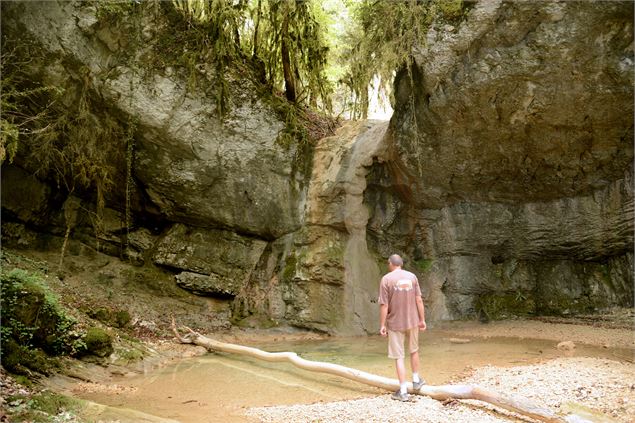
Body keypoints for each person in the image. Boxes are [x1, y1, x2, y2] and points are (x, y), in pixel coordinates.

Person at [378, 254, 427, 402]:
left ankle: (403, 391)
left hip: (395, 323)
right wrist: (422, 319)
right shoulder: (412, 277)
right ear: (401, 264)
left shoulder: (386, 279)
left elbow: (384, 305)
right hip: (413, 321)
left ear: (390, 263)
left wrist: (382, 325)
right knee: (414, 350)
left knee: (399, 356)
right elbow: (419, 299)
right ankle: (416, 380)